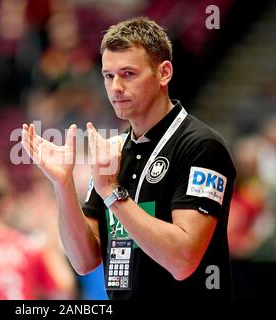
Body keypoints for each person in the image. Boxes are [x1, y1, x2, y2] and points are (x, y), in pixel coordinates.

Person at [21, 17, 236, 299]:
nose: (115, 87)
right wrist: (63, 186)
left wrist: (112, 193)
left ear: (164, 73)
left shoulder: (201, 146)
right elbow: (84, 260)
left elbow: (183, 260)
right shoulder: (115, 149)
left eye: (128, 74)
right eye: (108, 76)